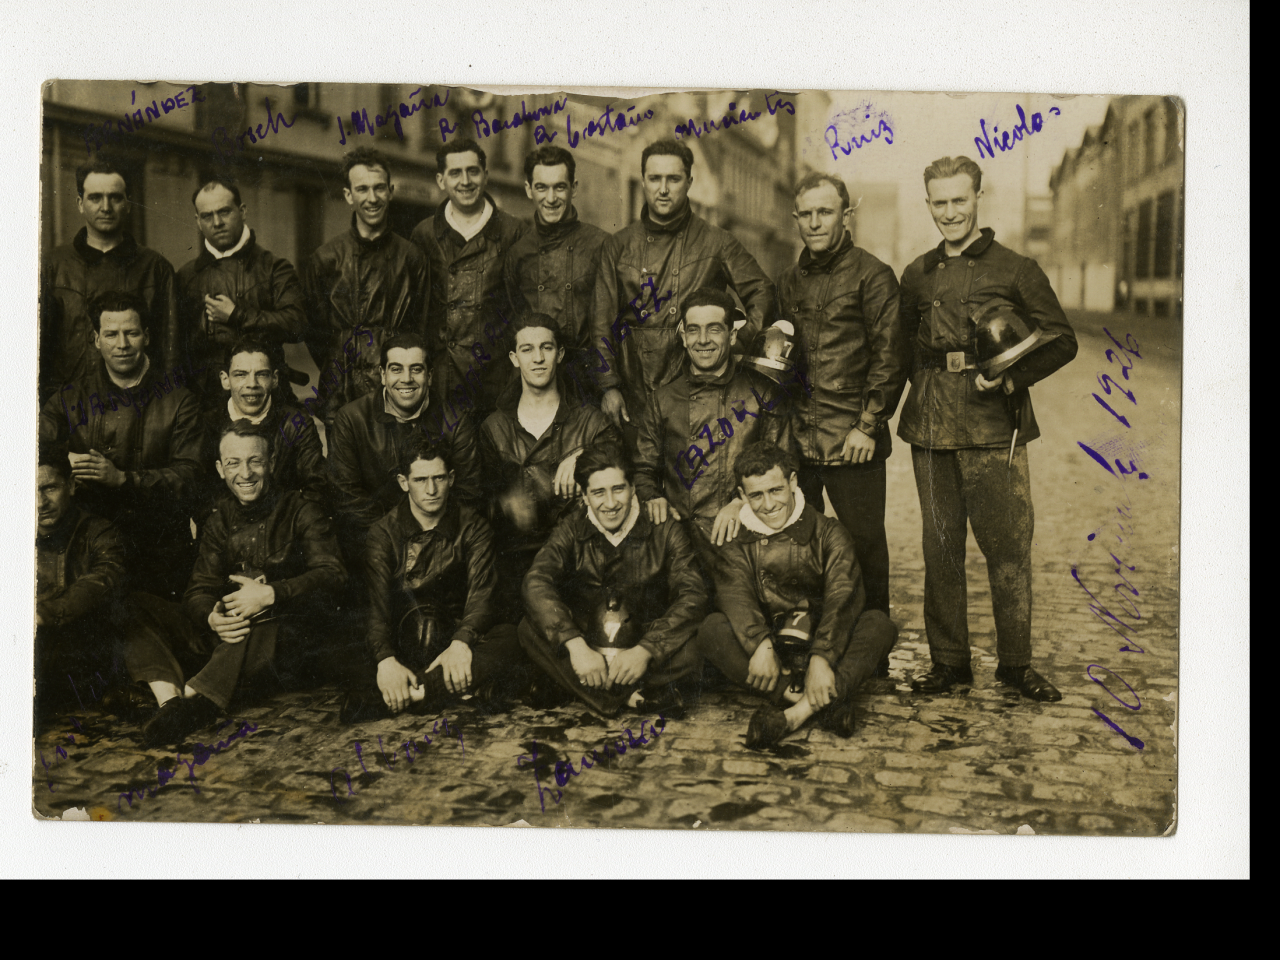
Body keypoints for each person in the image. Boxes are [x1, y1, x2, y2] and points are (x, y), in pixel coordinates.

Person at [898, 156, 1078, 701]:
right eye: (939, 202)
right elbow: (904, 348)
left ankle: (1016, 665)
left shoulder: (1016, 269)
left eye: (959, 200)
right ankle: (949, 663)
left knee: (1006, 546)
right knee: (941, 547)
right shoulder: (916, 274)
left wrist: (1007, 381)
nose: (950, 212)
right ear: (927, 203)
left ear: (978, 197)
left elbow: (1060, 338)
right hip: (930, 427)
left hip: (994, 425)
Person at [131, 421, 347, 746]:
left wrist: (271, 593)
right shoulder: (219, 518)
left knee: (262, 620)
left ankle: (201, 702)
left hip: (281, 637)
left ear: (271, 463)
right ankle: (171, 700)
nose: (245, 473)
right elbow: (199, 589)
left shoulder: (302, 509)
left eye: (254, 461)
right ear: (220, 469)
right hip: (229, 635)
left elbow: (333, 574)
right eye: (234, 463)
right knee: (134, 606)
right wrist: (211, 618)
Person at [766, 172, 908, 619]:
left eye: (824, 212)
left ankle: (872, 647)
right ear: (795, 219)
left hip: (854, 443)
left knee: (864, 546)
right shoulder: (785, 282)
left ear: (846, 215)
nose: (814, 222)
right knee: (797, 543)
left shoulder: (873, 275)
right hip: (797, 442)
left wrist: (868, 424)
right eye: (805, 214)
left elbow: (891, 356)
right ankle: (807, 640)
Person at [694, 441, 898, 749]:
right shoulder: (736, 540)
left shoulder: (829, 531)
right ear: (741, 497)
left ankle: (795, 712)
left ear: (792, 482)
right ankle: (817, 701)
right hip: (772, 650)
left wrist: (821, 657)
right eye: (756, 495)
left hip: (822, 643)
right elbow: (735, 595)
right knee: (711, 629)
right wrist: (760, 644)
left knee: (879, 625)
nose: (768, 504)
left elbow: (843, 597)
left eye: (775, 490)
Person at [591, 139, 775, 437]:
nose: (663, 189)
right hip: (634, 391)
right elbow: (600, 321)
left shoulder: (717, 242)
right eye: (654, 179)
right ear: (643, 180)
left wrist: (736, 342)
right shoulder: (618, 247)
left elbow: (763, 292)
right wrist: (608, 385)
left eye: (673, 179)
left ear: (689, 181)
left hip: (701, 391)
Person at [340, 438, 530, 721]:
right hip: (402, 642)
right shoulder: (383, 534)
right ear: (404, 482)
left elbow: (482, 596)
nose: (431, 490)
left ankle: (411, 695)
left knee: (512, 636)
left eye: (439, 478)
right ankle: (460, 689)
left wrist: (461, 643)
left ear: (451, 478)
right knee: (345, 644)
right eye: (420, 480)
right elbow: (376, 608)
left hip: (452, 641)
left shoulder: (474, 527)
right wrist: (386, 660)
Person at [519, 441, 708, 718]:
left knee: (693, 650)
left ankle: (580, 687)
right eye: (598, 492)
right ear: (584, 495)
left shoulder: (664, 526)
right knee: (527, 629)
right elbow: (535, 581)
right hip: (590, 645)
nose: (610, 503)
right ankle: (633, 698)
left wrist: (646, 650)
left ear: (633, 487)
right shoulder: (572, 525)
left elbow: (693, 594)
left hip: (642, 644)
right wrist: (575, 645)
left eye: (618, 489)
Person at [39, 291, 203, 600]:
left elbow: (191, 477)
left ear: (147, 336)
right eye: (111, 334)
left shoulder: (180, 401)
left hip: (160, 551)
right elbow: (29, 444)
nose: (122, 345)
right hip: (84, 551)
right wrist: (64, 458)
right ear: (96, 339)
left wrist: (123, 479)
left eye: (132, 333)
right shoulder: (69, 398)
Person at [635, 287, 796, 559]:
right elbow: (643, 469)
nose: (703, 340)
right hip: (681, 545)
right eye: (694, 330)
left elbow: (782, 463)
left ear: (732, 336)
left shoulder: (762, 393)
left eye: (714, 329)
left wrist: (740, 502)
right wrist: (653, 498)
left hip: (749, 538)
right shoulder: (661, 400)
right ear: (683, 337)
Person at [478, 313, 617, 614]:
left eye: (547, 348)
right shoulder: (494, 427)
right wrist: (506, 504)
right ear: (514, 358)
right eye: (527, 349)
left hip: (581, 565)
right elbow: (482, 507)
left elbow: (618, 465)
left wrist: (583, 455)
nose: (538, 358)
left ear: (560, 354)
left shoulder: (591, 423)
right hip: (516, 567)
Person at [302, 147, 430, 426]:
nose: (372, 199)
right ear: (349, 195)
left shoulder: (412, 257)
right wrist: (341, 358)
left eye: (379, 188)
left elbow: (422, 327)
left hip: (398, 394)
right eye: (362, 189)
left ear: (391, 191)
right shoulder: (325, 259)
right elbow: (315, 333)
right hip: (340, 396)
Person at [41, 157, 178, 402]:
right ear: (80, 203)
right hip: (69, 409)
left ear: (128, 204)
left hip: (138, 406)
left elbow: (171, 355)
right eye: (95, 198)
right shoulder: (51, 267)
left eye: (115, 197)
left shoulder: (156, 268)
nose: (106, 207)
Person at [411, 138, 529, 418]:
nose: (465, 181)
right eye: (455, 173)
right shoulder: (424, 234)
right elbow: (416, 313)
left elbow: (523, 312)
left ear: (485, 175)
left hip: (495, 383)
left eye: (473, 171)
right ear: (441, 180)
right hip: (441, 383)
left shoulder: (514, 232)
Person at [327, 332, 481, 545]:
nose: (406, 379)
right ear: (383, 375)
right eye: (396, 369)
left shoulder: (456, 422)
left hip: (437, 543)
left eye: (416, 369)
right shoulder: (351, 419)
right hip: (372, 541)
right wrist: (393, 539)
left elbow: (468, 495)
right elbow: (348, 498)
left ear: (429, 375)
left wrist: (425, 540)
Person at [176, 177, 308, 403]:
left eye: (225, 212)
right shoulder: (186, 277)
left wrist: (238, 316)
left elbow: (297, 324)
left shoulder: (274, 268)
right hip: (206, 403)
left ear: (242, 211)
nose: (217, 222)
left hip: (267, 397)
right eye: (207, 216)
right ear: (198, 221)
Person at [502, 145, 610, 402]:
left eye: (559, 187)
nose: (551, 198)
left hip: (589, 383)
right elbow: (512, 322)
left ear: (574, 187)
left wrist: (610, 386)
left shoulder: (601, 244)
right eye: (542, 187)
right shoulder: (518, 254)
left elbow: (613, 324)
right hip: (535, 384)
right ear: (529, 189)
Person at [34, 448, 130, 728]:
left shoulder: (100, 532)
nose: (40, 503)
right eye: (30, 490)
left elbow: (103, 578)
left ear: (72, 486)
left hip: (81, 655)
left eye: (49, 488)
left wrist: (44, 614)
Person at [196, 338, 327, 520]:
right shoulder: (205, 425)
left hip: (283, 527)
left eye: (262, 374)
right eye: (241, 374)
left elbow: (317, 488)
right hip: (227, 528)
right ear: (225, 380)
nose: (252, 384)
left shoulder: (296, 423)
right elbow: (199, 493)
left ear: (274, 379)